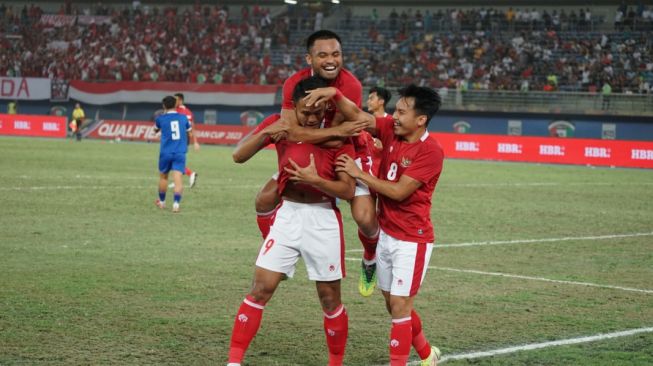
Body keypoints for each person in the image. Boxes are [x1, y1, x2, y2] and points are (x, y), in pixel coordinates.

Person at [305, 84, 444, 365]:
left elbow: (398, 191)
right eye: (395, 110)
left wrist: (359, 174)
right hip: (387, 235)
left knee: (401, 307)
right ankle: (428, 353)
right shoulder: (392, 129)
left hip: (411, 240)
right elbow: (359, 116)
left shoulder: (430, 151)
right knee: (392, 305)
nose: (394, 115)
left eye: (402, 112)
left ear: (421, 119)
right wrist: (335, 94)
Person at [227, 76, 356, 366]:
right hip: (287, 215)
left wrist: (315, 180)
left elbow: (347, 191)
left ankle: (336, 362)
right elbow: (238, 155)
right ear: (293, 107)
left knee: (329, 299)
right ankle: (233, 363)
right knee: (260, 289)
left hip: (323, 220)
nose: (311, 118)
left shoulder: (338, 136)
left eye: (317, 112)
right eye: (305, 112)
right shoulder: (279, 123)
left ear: (326, 108)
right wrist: (268, 134)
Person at [250, 29, 382, 297]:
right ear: (309, 59)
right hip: (312, 147)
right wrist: (317, 136)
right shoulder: (294, 84)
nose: (331, 60)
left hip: (349, 150)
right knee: (264, 200)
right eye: (323, 55)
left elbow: (341, 139)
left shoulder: (351, 85)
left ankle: (370, 258)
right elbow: (292, 130)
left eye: (336, 54)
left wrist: (331, 105)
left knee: (365, 218)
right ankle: (277, 251)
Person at [154, 96, 193, 213]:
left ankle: (162, 202)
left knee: (163, 177)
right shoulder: (183, 118)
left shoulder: (160, 118)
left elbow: (155, 130)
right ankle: (176, 204)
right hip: (180, 152)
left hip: (165, 152)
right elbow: (189, 133)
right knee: (178, 178)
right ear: (176, 104)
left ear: (164, 106)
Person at [174, 93, 200, 188]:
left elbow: (190, 127)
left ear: (180, 100)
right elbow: (192, 127)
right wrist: (195, 141)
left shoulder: (179, 111)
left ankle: (191, 174)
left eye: (175, 100)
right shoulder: (188, 112)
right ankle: (178, 180)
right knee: (177, 160)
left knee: (174, 160)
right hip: (184, 138)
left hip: (180, 138)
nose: (174, 101)